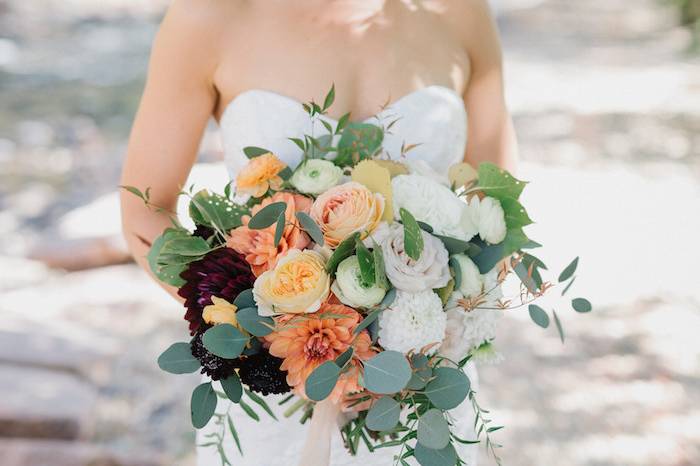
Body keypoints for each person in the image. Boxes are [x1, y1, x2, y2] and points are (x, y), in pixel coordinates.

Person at [120, 1, 517, 465]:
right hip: (275, 378)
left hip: (424, 380)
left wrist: (437, 331)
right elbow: (144, 210)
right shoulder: (209, 17)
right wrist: (261, 333)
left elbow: (496, 205)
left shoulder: (457, 11)